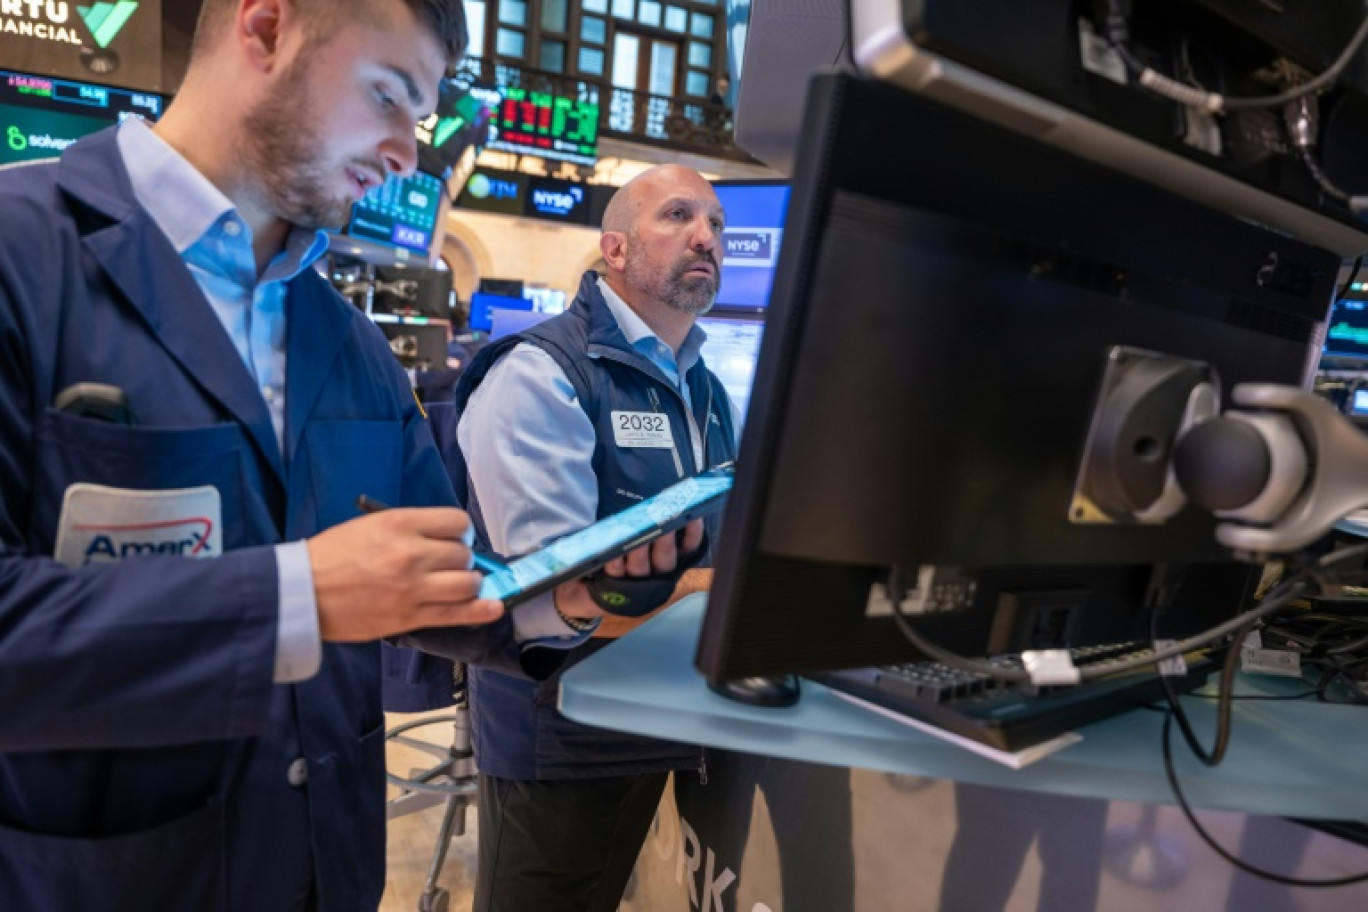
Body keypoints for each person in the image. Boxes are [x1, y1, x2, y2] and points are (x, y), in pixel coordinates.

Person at [0, 0, 642, 908]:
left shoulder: (350, 346)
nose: (407, 155)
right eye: (387, 95)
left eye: (418, 119)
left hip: (326, 874)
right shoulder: (21, 257)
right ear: (266, 29)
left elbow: (426, 573)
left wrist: (553, 600)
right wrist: (294, 596)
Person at [443, 164, 741, 911]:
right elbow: (549, 591)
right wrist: (717, 595)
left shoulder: (703, 386)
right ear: (615, 248)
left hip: (657, 720)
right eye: (678, 215)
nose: (706, 236)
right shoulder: (542, 373)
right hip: (562, 739)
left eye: (716, 224)